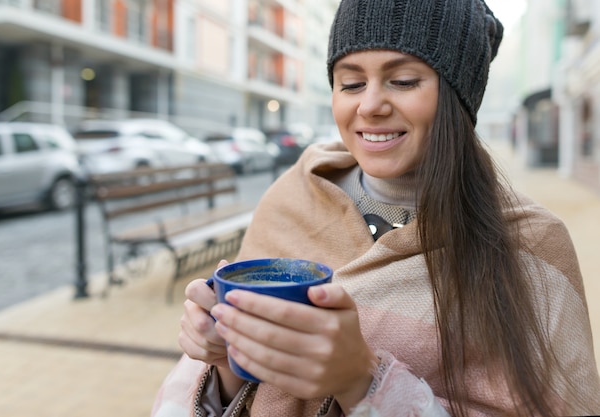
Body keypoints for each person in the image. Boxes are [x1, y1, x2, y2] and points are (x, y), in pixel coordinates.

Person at [151, 0, 600, 416]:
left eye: (403, 81)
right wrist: (225, 357)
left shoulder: (528, 243)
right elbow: (235, 392)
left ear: (458, 98)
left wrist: (362, 380)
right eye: (350, 83)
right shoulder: (292, 197)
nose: (369, 106)